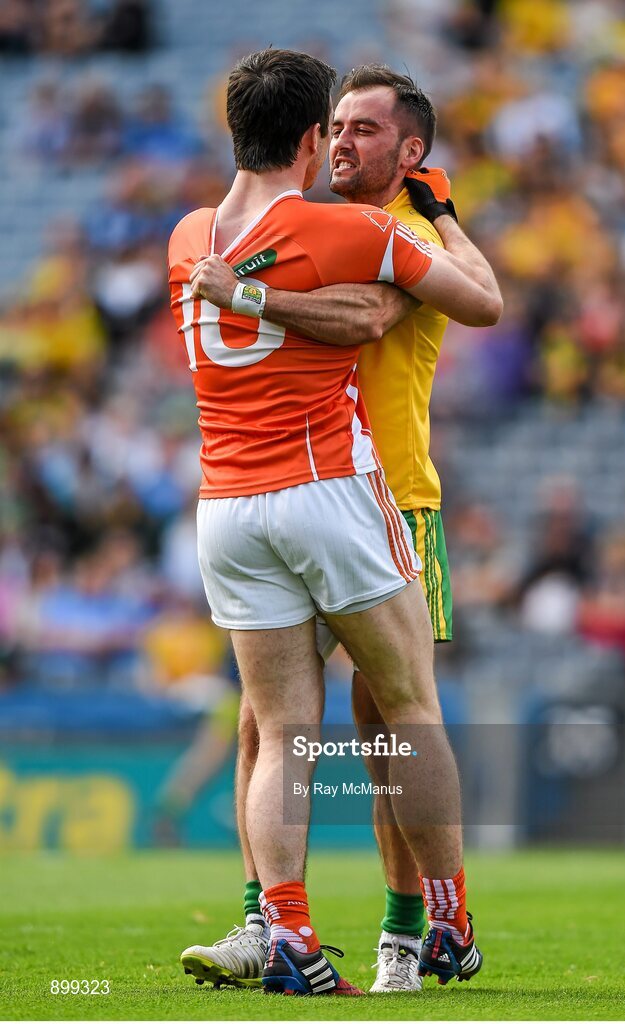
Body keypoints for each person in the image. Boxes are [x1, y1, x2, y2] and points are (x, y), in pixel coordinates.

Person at [168, 48, 501, 996]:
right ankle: (268, 921)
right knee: (269, 724)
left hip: (388, 494)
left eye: (368, 128)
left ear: (411, 150)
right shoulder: (334, 228)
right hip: (324, 495)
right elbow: (356, 313)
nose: (347, 141)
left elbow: (449, 301)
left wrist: (437, 214)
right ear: (311, 137)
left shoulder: (213, 234)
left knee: (372, 723)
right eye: (338, 124)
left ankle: (409, 931)